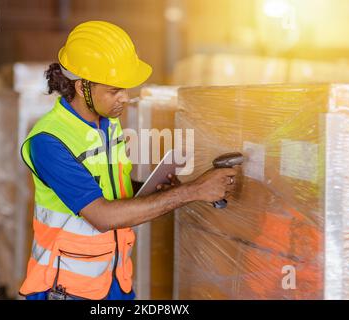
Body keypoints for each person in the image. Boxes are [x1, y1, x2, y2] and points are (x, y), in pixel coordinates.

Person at [19, 20, 239, 300]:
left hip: (114, 281)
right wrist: (193, 191)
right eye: (114, 90)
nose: (125, 98)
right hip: (66, 289)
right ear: (81, 87)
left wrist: (149, 187)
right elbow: (101, 215)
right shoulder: (49, 142)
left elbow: (107, 188)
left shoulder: (107, 124)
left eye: (126, 88)